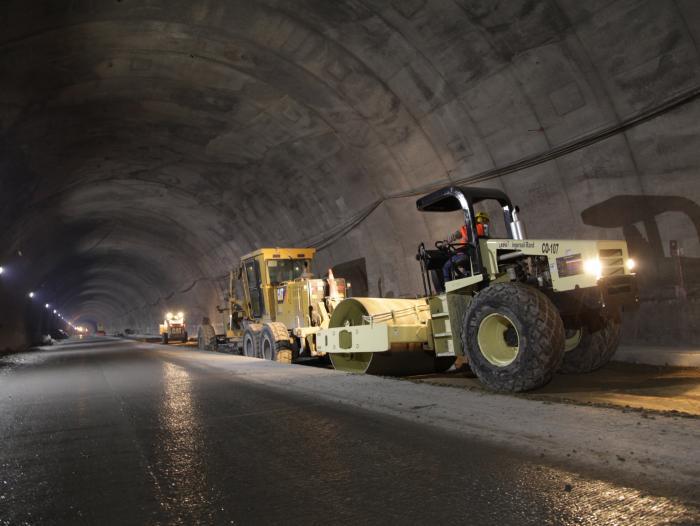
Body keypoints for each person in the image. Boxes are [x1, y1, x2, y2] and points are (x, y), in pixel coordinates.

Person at [441, 212, 490, 288]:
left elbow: (453, 237)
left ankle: (447, 286)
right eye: (484, 220)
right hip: (477, 257)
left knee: (446, 267)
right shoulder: (484, 230)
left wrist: (444, 243)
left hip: (464, 254)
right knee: (467, 270)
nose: (484, 221)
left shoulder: (465, 228)